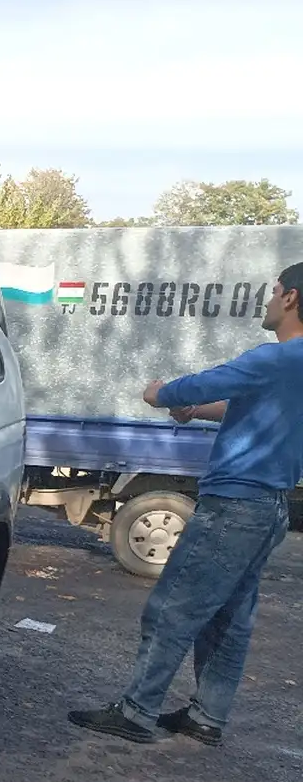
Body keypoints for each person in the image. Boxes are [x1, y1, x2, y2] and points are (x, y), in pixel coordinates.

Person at [69, 262, 303, 745]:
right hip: (271, 506)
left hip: (234, 506)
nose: (268, 298)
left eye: (273, 290)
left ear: (292, 299)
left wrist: (162, 394)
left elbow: (201, 384)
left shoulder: (276, 358)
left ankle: (136, 711)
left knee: (173, 608)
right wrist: (197, 413)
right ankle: (207, 717)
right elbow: (247, 406)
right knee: (231, 616)